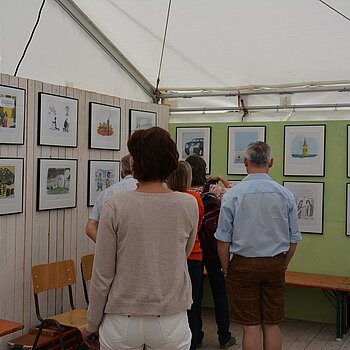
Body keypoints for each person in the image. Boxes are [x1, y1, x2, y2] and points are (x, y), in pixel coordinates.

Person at [83, 126, 199, 350]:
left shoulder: (115, 205)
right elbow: (182, 253)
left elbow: (103, 274)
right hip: (170, 317)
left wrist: (92, 323)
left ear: (137, 162)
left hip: (121, 318)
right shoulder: (188, 204)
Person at [215, 141, 302, 350]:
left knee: (251, 326)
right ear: (271, 162)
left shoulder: (233, 195)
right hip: (275, 264)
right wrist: (283, 264)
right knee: (272, 324)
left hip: (243, 264)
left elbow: (223, 240)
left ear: (245, 162)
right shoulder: (285, 194)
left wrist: (226, 268)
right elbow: (293, 239)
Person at [186, 155, 235, 349]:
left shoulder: (184, 192)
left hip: (193, 248)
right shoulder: (215, 190)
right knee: (219, 292)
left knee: (194, 295)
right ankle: (224, 336)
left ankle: (196, 335)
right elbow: (234, 191)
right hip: (215, 247)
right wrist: (221, 179)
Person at [167, 160, 204, 350]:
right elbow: (195, 228)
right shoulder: (194, 199)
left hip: (174, 257)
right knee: (193, 303)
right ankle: (194, 341)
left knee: (177, 305)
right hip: (194, 256)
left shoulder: (169, 200)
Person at [85, 154, 138, 242]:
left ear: (122, 173)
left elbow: (90, 229)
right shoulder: (145, 191)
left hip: (110, 250)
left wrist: (105, 246)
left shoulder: (105, 193)